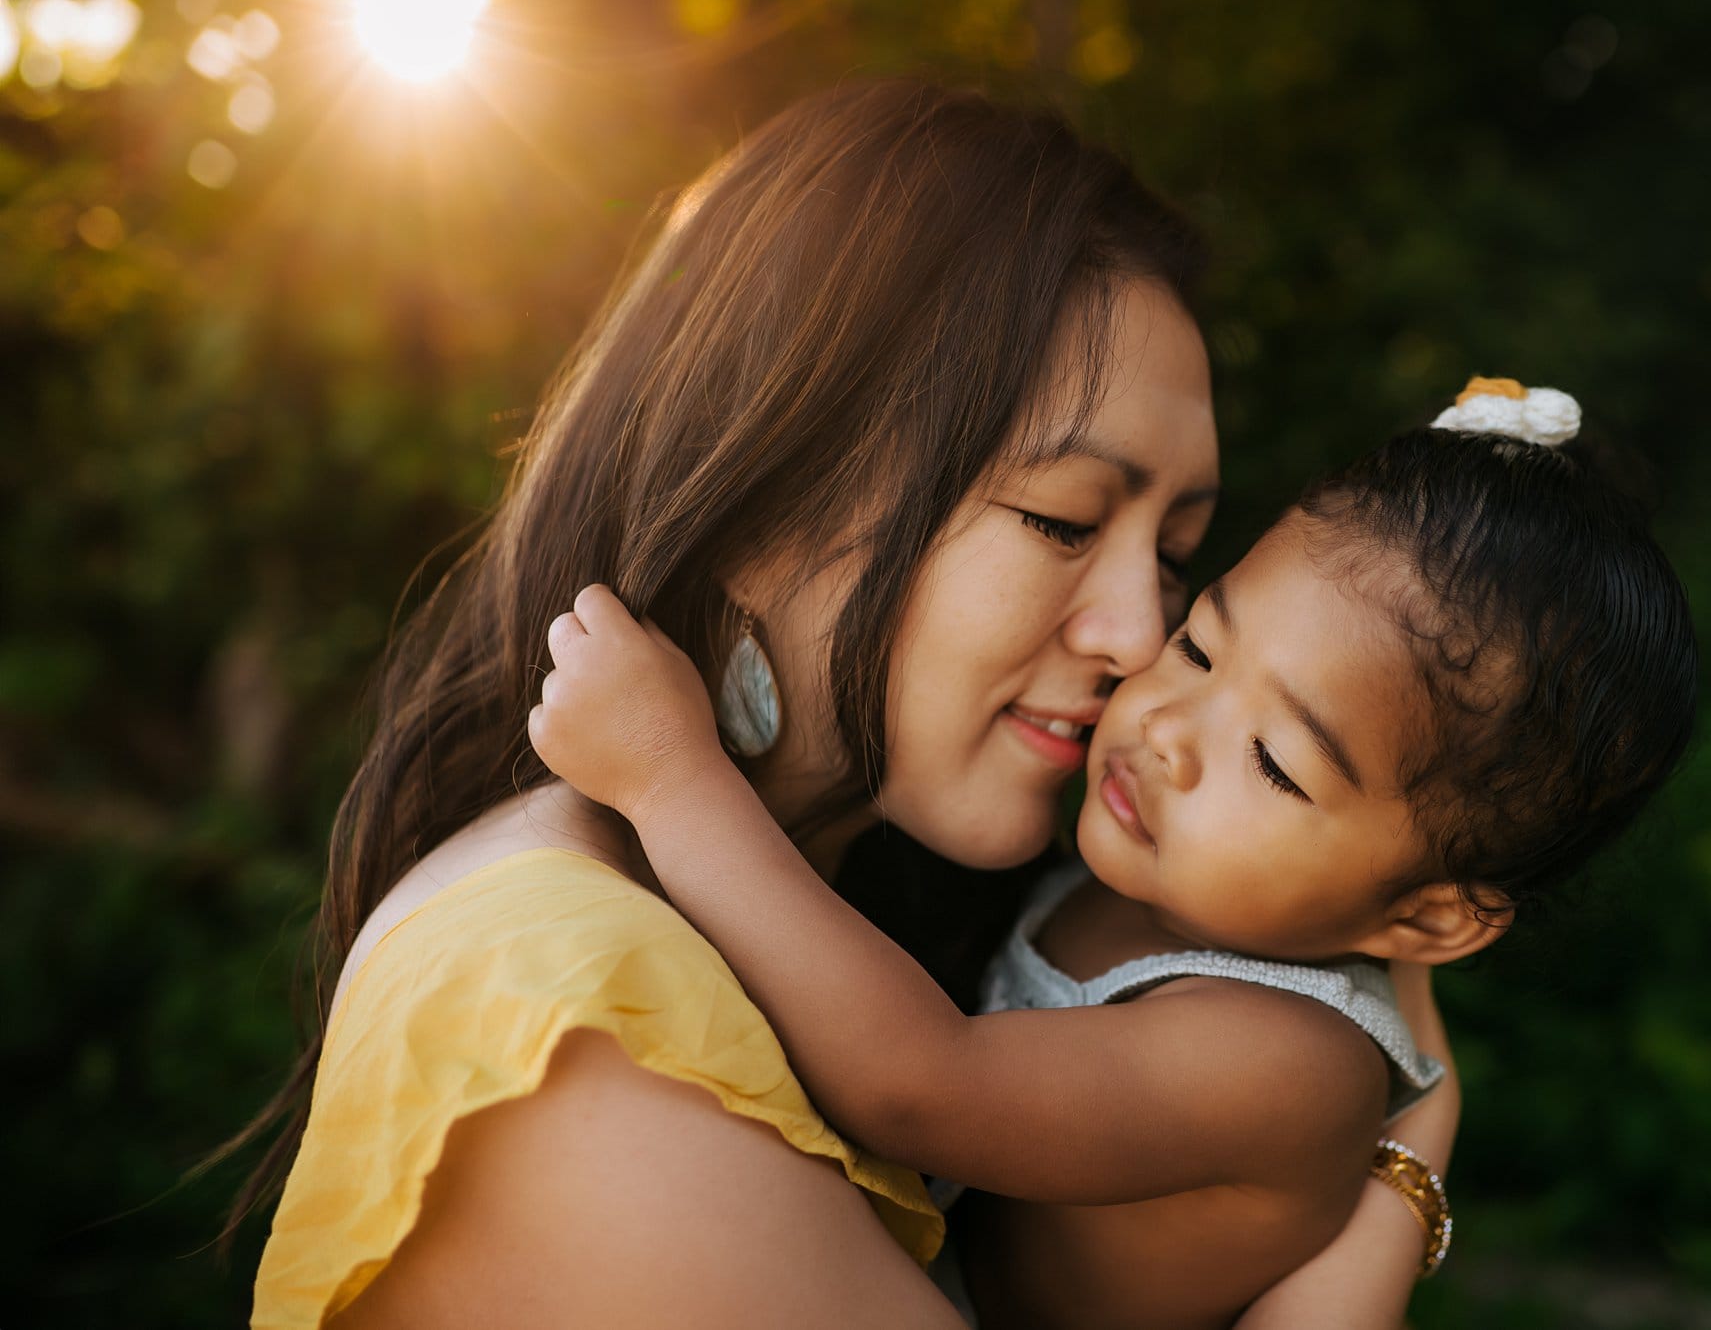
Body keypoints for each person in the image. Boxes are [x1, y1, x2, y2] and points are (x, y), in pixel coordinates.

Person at [234, 81, 1460, 1328]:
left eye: (1172, 555)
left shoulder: (797, 954)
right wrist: (1398, 1185)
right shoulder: (574, 1023)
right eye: (1063, 519)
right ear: (776, 478)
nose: (1140, 633)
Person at [526, 379, 1700, 1328]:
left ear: (1428, 920)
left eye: (1277, 762)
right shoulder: (1163, 871)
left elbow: (918, 1083)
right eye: (1196, 648)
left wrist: (673, 775)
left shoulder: (1284, 1055)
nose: (1164, 729)